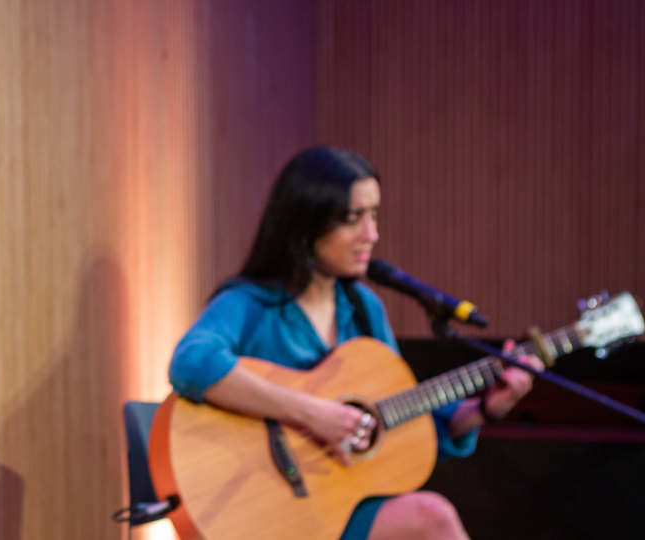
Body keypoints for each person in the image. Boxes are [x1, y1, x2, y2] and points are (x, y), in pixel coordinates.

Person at [168, 146, 539, 540]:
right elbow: (191, 362)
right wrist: (311, 414)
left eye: (374, 215)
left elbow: (400, 416)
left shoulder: (363, 309)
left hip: (336, 508)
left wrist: (483, 408)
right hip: (261, 509)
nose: (371, 235)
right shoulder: (249, 304)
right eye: (352, 219)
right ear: (305, 224)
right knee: (431, 516)